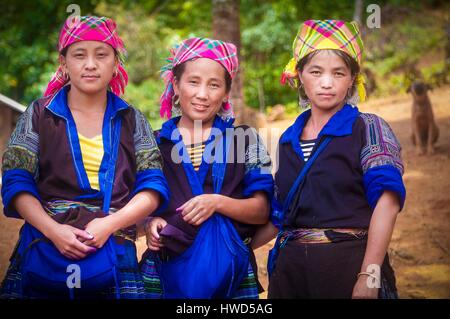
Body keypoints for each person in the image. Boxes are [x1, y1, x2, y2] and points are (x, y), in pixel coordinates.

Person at [0, 15, 169, 299]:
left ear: (115, 64)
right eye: (79, 55)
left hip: (114, 248)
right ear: (63, 63)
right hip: (44, 245)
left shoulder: (132, 119)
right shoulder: (40, 114)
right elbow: (16, 181)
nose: (90, 64)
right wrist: (54, 230)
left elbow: (152, 186)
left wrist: (109, 225)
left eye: (101, 55)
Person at [251, 20, 406, 299]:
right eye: (315, 71)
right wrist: (230, 248)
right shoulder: (288, 139)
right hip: (291, 277)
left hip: (349, 270)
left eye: (338, 73)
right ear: (299, 75)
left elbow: (388, 200)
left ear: (351, 79)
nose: (326, 83)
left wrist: (369, 276)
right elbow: (280, 213)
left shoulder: (368, 128)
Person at [139, 37, 274, 299]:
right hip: (166, 270)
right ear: (175, 85)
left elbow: (262, 212)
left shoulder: (245, 139)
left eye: (214, 85)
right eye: (193, 82)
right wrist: (149, 223)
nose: (202, 94)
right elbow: (138, 206)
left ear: (225, 93)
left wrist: (216, 203)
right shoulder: (153, 143)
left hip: (229, 273)